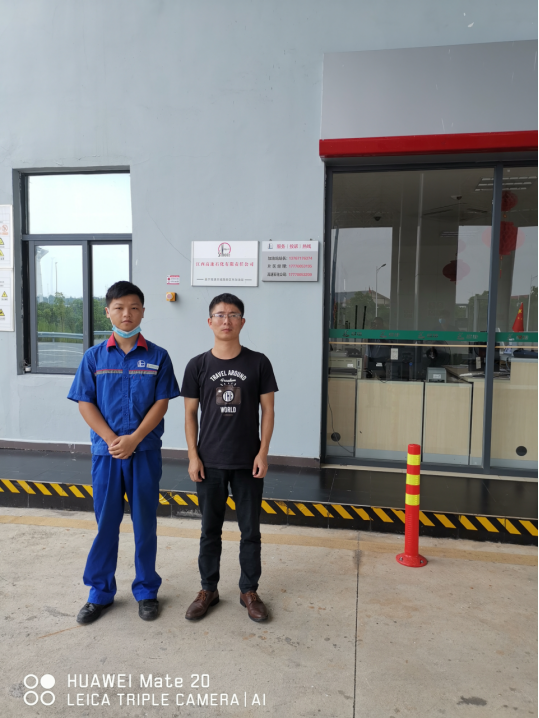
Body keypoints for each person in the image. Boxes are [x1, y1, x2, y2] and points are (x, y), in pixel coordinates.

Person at [67, 281, 180, 624]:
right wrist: (112, 439)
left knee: (145, 523)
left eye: (133, 307)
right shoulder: (94, 357)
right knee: (106, 524)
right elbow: (85, 402)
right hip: (107, 455)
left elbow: (162, 403)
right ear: (108, 312)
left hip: (144, 452)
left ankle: (146, 591)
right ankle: (99, 593)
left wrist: (134, 439)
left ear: (143, 311)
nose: (126, 314)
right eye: (119, 308)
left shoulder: (158, 356)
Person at [180, 293, 278, 623]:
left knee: (250, 531)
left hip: (248, 462)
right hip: (209, 462)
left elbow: (268, 411)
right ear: (210, 322)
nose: (226, 320)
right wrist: (193, 456)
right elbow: (189, 415)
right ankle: (208, 589)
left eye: (233, 314)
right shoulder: (197, 365)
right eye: (220, 315)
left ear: (242, 322)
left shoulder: (258, 363)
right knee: (210, 530)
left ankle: (249, 590)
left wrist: (263, 452)